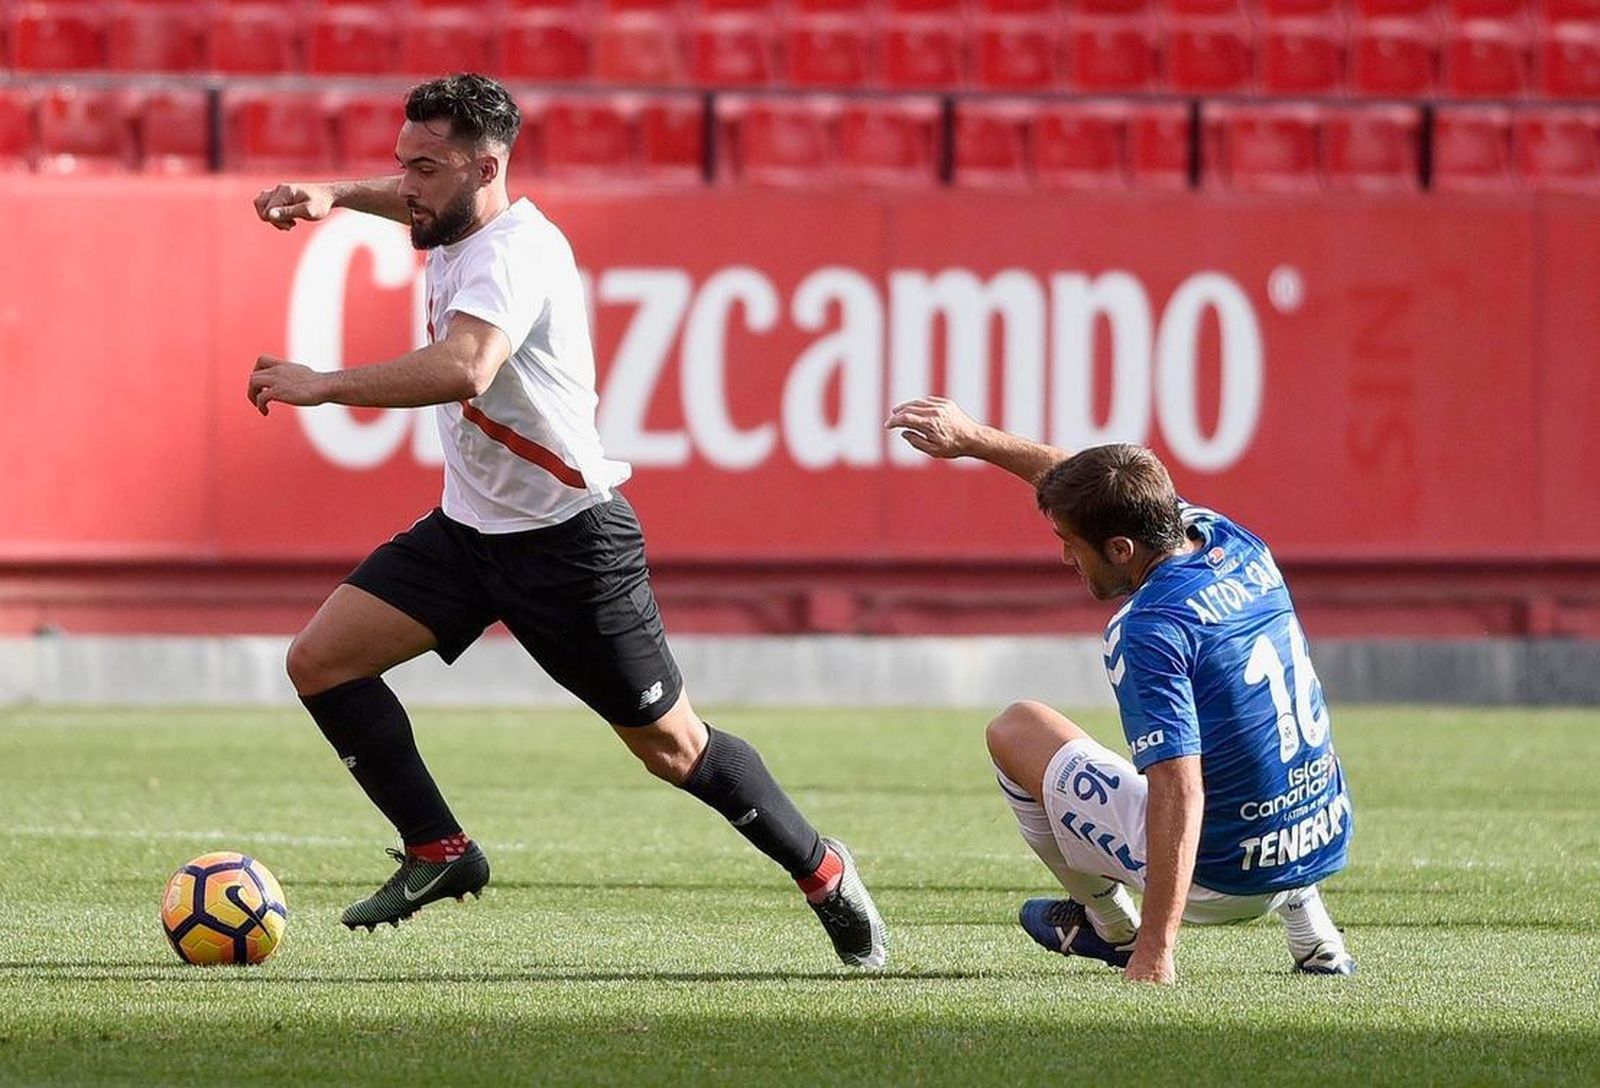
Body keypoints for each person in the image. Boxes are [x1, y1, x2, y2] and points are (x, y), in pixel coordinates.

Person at [246, 74, 886, 969]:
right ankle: (440, 850)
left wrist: (325, 383)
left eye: (425, 169)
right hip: (469, 534)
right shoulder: (449, 214)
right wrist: (333, 193)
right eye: (403, 166)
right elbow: (407, 202)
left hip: (568, 545)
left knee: (675, 750)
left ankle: (822, 871)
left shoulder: (518, 252)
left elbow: (467, 367)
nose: (408, 186)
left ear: (488, 168)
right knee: (320, 663)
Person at [885, 396, 1354, 984]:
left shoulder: (1150, 626)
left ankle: (1110, 928)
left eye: (1070, 542)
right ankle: (1315, 935)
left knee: (1016, 730)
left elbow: (1178, 788)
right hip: (1323, 833)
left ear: (1120, 550)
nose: (1064, 556)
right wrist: (975, 439)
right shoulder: (1229, 540)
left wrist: (1156, 952)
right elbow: (1095, 490)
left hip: (1225, 881)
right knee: (1248, 735)